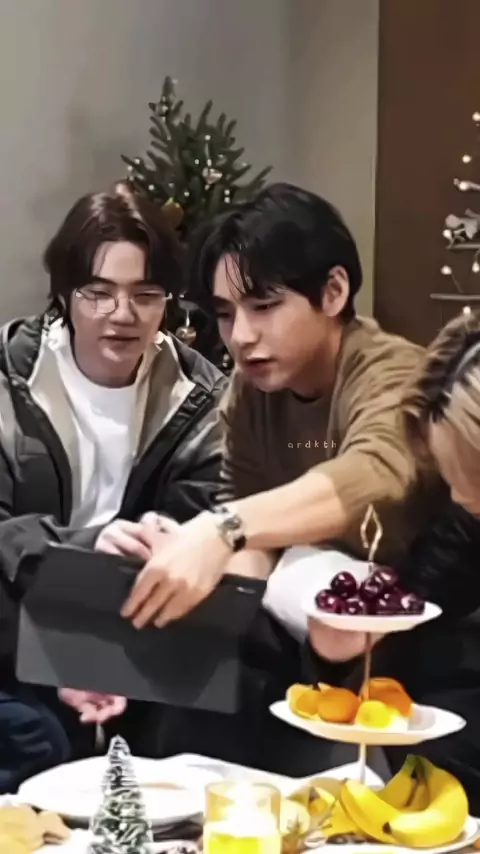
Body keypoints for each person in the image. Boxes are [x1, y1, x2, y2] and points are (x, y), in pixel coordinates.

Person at [118, 182, 443, 639]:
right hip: (315, 628)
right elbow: (254, 536)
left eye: (264, 306)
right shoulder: (250, 391)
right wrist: (181, 558)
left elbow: (377, 473)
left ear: (333, 292)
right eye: (226, 314)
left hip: (431, 628)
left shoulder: (397, 373)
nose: (241, 336)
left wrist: (222, 529)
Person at [0, 183, 225, 790]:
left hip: (140, 634)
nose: (123, 314)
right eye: (98, 293)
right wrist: (86, 545)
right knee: (36, 736)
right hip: (12, 632)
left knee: (195, 743)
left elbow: (202, 538)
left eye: (145, 294)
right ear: (64, 295)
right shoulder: (9, 380)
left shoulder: (201, 398)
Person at [305, 309, 480, 812]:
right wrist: (352, 642)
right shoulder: (463, 519)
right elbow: (424, 591)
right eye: (455, 483)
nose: (463, 499)